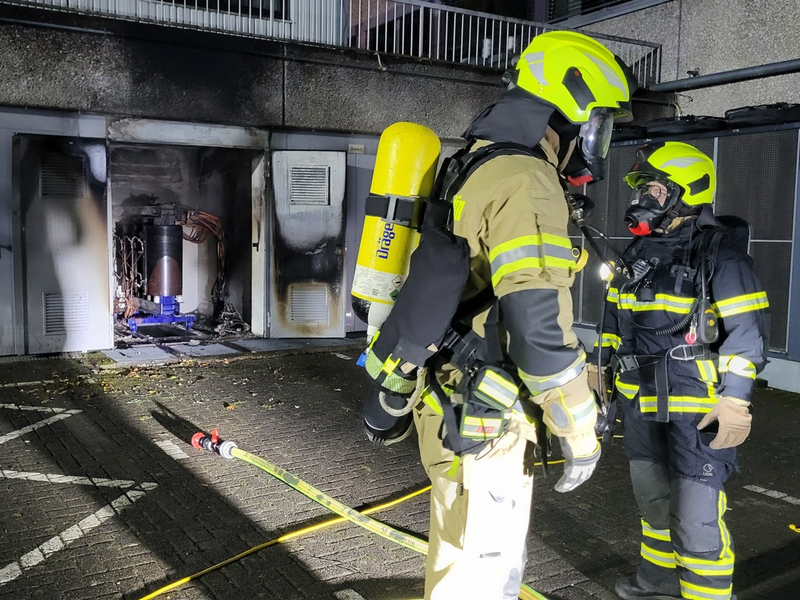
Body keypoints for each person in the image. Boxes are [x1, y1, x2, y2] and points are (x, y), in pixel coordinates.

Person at [362, 31, 633, 599]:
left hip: (451, 402)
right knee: (482, 579)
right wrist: (579, 430)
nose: (596, 144)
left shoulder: (477, 161)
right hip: (489, 419)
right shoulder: (528, 180)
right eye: (599, 124)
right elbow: (538, 333)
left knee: (459, 562)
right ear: (571, 106)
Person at [588, 141, 770, 600]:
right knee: (652, 502)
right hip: (640, 401)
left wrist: (736, 398)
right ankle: (657, 583)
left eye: (652, 187)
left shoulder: (722, 257)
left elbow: (747, 334)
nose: (642, 199)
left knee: (695, 518)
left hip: (699, 411)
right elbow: (615, 320)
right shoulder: (636, 256)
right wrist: (600, 371)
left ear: (686, 193)